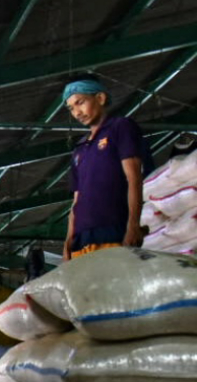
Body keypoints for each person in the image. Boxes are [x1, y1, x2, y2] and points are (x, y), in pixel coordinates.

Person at [61, 74, 153, 261]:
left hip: (113, 229)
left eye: (80, 103)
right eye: (71, 108)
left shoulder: (120, 127)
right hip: (81, 237)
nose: (77, 112)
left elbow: (134, 179)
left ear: (100, 98)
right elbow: (76, 200)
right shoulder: (80, 149)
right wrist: (68, 240)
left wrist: (132, 226)